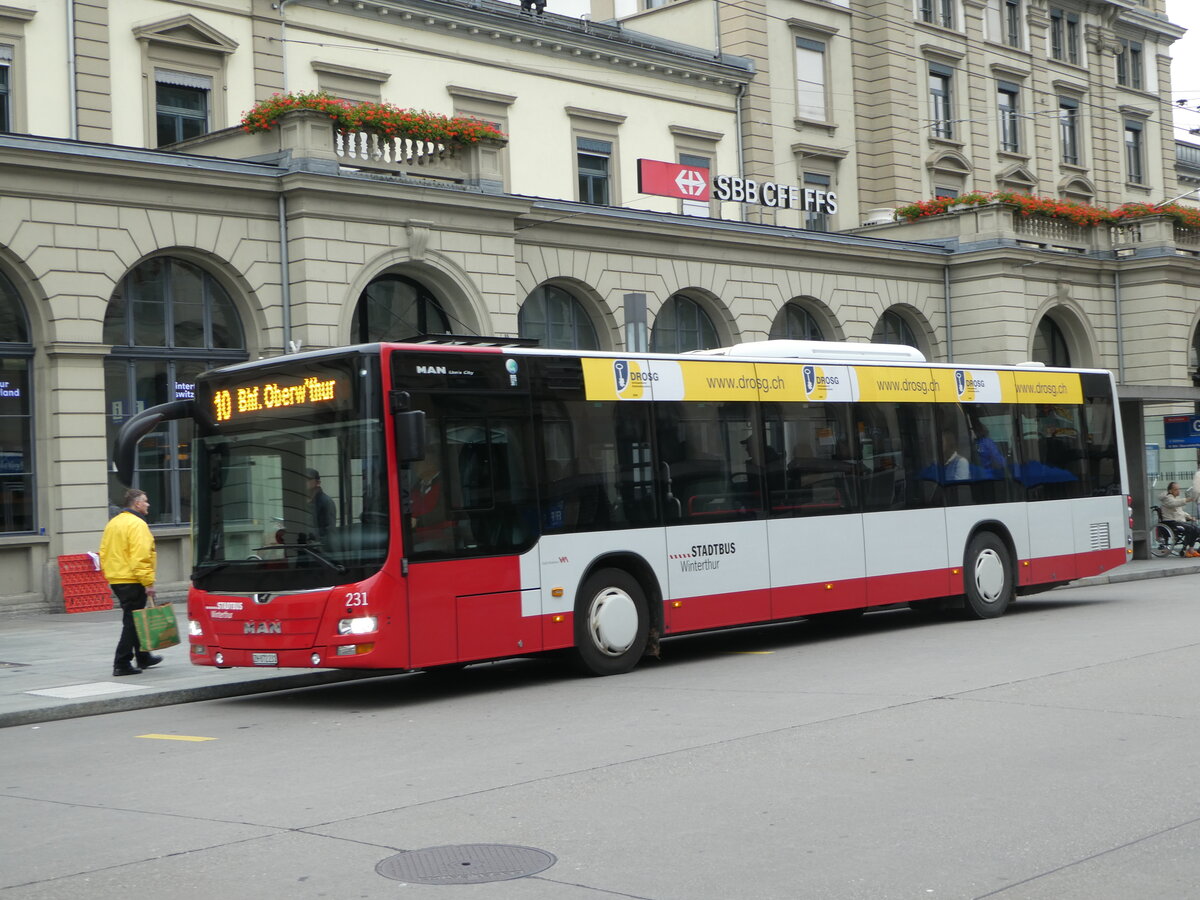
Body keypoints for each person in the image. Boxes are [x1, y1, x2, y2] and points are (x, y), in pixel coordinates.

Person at [99, 488, 162, 676]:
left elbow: (104, 551)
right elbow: (141, 557)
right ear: (137, 504)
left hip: (118, 578)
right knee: (132, 622)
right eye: (145, 500)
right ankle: (122, 663)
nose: (148, 504)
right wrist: (148, 583)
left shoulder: (114, 523)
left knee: (135, 618)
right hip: (132, 579)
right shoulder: (137, 525)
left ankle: (143, 657)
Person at [1158, 481, 1200, 557]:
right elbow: (1174, 503)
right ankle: (1184, 549)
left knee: (1196, 529)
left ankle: (1191, 549)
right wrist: (1187, 499)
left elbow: (1180, 512)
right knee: (1190, 529)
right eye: (1176, 489)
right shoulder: (1167, 498)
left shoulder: (1175, 498)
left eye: (1178, 489)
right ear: (1170, 491)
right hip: (1170, 522)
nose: (1178, 491)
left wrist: (1189, 516)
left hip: (1178, 521)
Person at [305, 468, 336, 544]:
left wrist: (307, 531)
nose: (304, 481)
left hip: (318, 550)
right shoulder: (300, 500)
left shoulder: (326, 502)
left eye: (308, 479)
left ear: (317, 482)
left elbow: (329, 530)